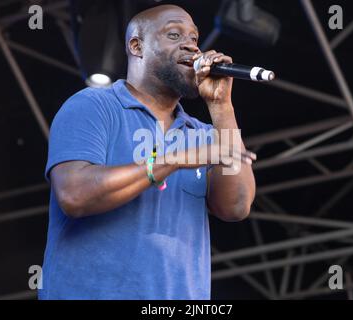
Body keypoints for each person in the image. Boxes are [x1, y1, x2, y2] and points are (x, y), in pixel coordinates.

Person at [39, 4, 256, 300]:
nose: (191, 46)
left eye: (194, 38)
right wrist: (172, 160)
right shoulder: (93, 106)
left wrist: (221, 107)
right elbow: (74, 195)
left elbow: (236, 206)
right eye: (174, 35)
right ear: (137, 46)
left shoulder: (203, 135)